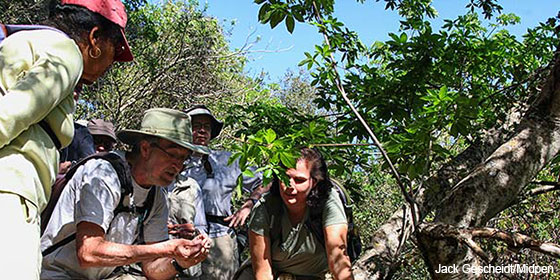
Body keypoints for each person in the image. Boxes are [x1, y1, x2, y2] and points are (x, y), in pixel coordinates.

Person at [0, 0, 133, 277]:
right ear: (95, 38)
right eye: (114, 49)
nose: (111, 63)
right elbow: (11, 113)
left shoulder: (25, 42)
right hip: (11, 190)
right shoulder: (66, 51)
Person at [40, 108, 211, 279]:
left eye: (183, 158)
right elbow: (88, 252)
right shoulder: (103, 173)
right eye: (172, 154)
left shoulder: (157, 196)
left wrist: (179, 262)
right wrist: (168, 248)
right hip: (56, 273)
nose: (177, 166)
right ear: (145, 149)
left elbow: (152, 269)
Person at [179, 105, 268, 279]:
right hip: (179, 239)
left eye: (206, 126)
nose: (202, 130)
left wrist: (249, 205)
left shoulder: (226, 160)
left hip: (218, 240)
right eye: (196, 126)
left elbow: (267, 180)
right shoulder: (173, 160)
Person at [236, 148, 354, 280]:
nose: (290, 185)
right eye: (285, 178)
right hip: (272, 273)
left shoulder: (329, 202)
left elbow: (338, 259)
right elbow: (263, 272)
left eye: (299, 180)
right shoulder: (265, 208)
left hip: (315, 276)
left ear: (314, 182)